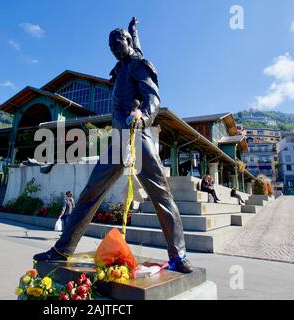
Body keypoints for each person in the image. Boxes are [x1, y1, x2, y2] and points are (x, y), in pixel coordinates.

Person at [33, 18, 193, 273]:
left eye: (119, 45)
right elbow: (135, 46)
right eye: (111, 48)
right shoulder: (121, 68)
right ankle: (62, 249)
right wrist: (133, 31)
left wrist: (144, 115)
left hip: (136, 136)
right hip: (117, 141)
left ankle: (179, 255)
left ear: (127, 44)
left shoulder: (139, 64)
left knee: (160, 196)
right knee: (89, 194)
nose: (115, 50)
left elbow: (152, 96)